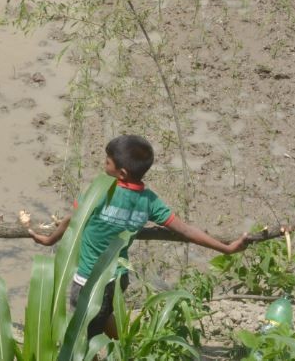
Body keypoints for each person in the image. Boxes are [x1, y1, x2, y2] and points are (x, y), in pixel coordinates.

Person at [30, 135, 249, 342]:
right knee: (104, 314)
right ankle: (127, 344)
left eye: (107, 162)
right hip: (118, 279)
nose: (103, 166)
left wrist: (50, 240)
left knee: (83, 333)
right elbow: (186, 230)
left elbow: (72, 220)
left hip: (89, 280)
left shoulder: (100, 191)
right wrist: (226, 249)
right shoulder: (149, 201)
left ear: (122, 173)